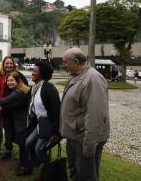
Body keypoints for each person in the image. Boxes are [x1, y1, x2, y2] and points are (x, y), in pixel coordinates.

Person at [60, 47, 110, 181]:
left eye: (65, 62)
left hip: (84, 140)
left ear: (75, 61)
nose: (63, 65)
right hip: (74, 137)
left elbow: (96, 114)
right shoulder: (76, 76)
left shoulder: (93, 79)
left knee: (86, 176)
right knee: (75, 172)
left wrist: (89, 143)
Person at [24, 61, 61, 178]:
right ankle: (37, 164)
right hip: (42, 124)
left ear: (42, 74)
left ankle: (47, 172)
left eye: (35, 71)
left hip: (50, 125)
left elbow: (56, 111)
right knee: (28, 143)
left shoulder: (49, 88)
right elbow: (23, 102)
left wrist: (55, 132)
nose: (32, 73)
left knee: (39, 149)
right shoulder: (34, 88)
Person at [0, 56, 28, 159]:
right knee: (7, 129)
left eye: (11, 63)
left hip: (16, 108)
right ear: (3, 64)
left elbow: (25, 90)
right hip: (2, 107)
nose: (9, 65)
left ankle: (23, 151)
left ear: (14, 65)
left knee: (19, 130)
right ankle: (8, 150)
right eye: (7, 63)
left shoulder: (19, 75)